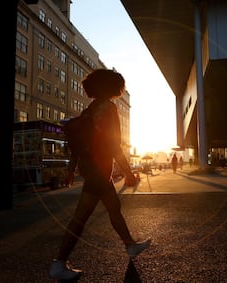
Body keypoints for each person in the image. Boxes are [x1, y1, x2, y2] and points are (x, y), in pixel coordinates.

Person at [49, 69, 151, 280]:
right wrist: (128, 173)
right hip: (99, 170)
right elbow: (114, 144)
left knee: (113, 208)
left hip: (92, 169)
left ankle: (130, 245)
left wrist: (71, 170)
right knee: (80, 218)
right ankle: (59, 264)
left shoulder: (89, 110)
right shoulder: (109, 108)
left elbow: (77, 145)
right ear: (112, 86)